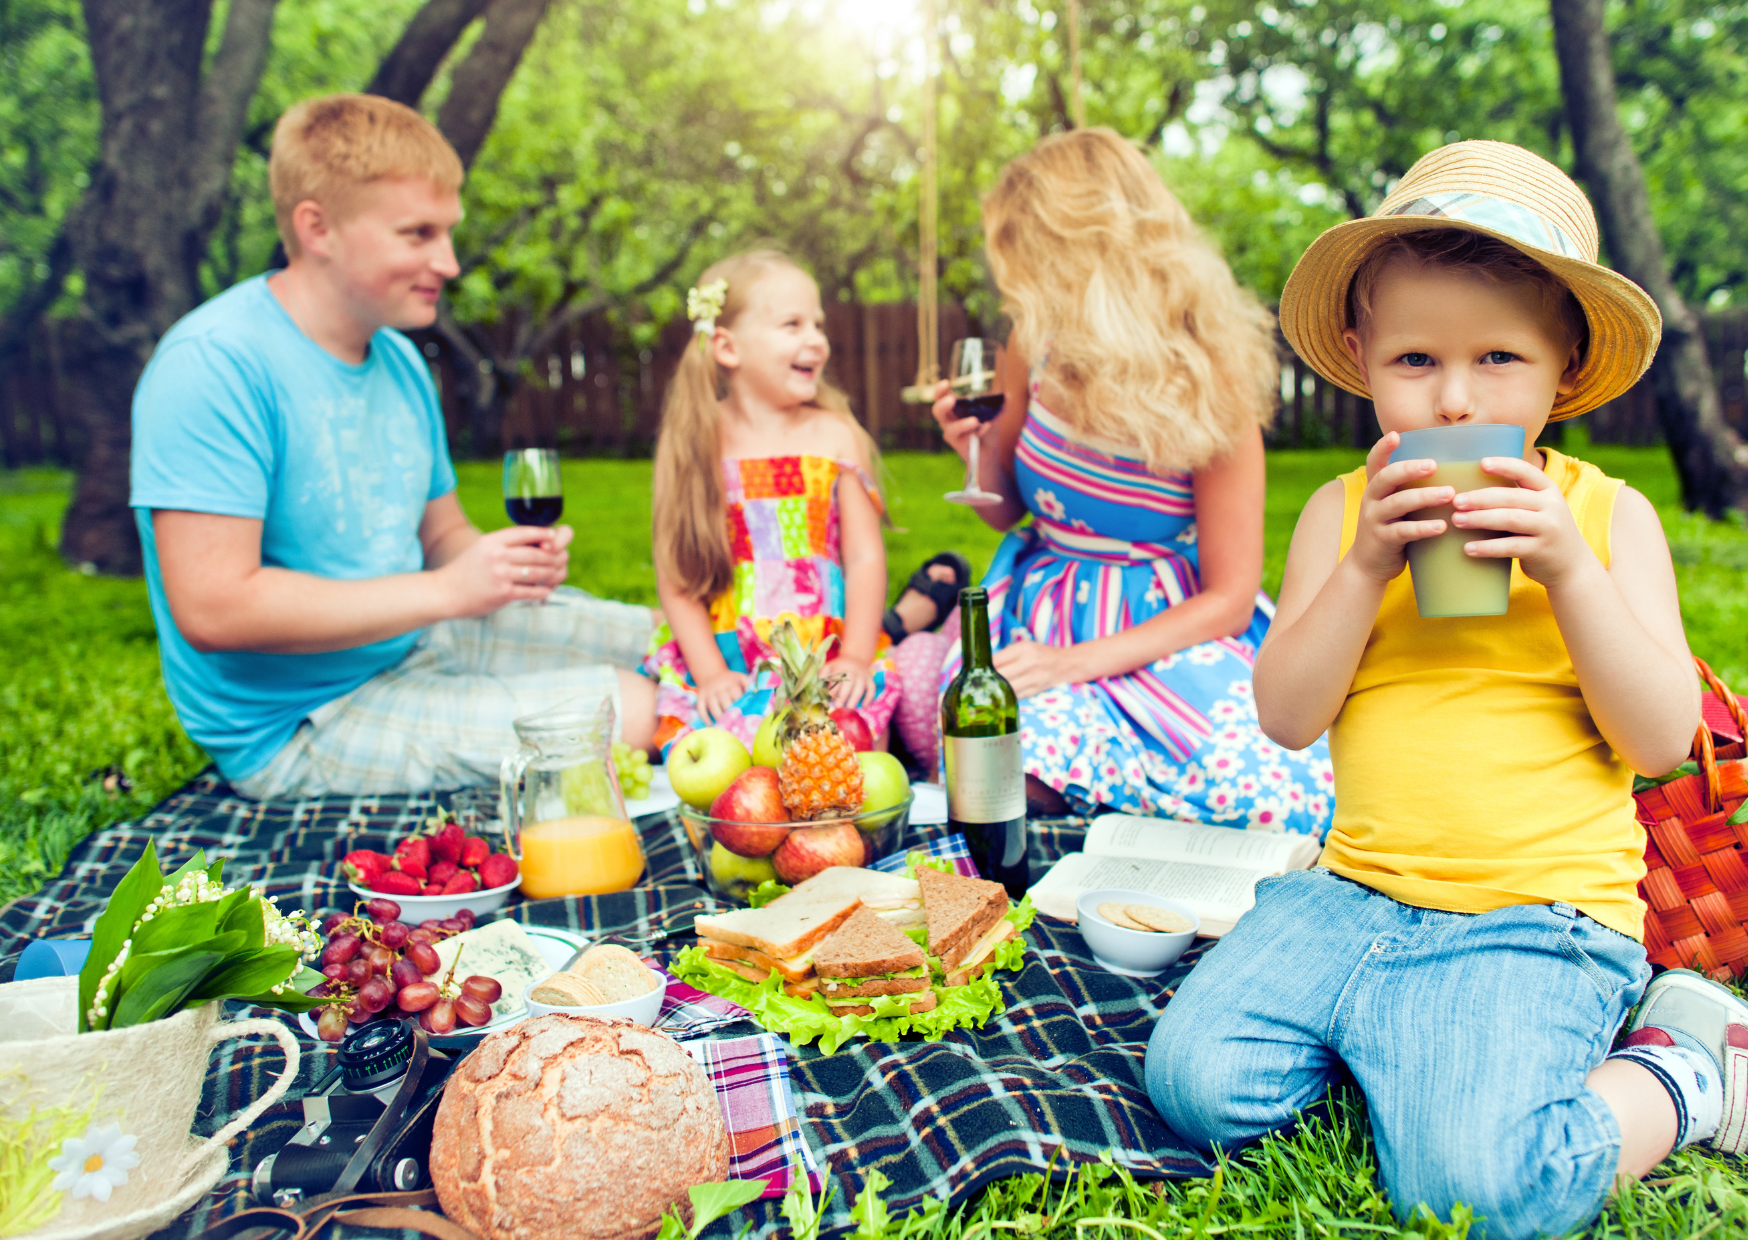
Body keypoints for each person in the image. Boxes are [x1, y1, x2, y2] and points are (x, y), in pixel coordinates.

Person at [1146, 141, 1747, 1238]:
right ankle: (1408, 1046)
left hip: (1533, 915)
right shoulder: (1340, 513)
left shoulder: (1610, 520)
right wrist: (1365, 566)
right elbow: (1283, 717)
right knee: (1194, 1082)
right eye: (1415, 359)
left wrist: (1566, 567)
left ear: (1561, 366)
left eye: (1499, 361)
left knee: (1476, 1192)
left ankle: (1677, 1073)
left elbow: (1659, 738)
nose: (1455, 395)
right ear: (1357, 349)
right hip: (1351, 893)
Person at [129, 94, 656, 799]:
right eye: (418, 234)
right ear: (319, 228)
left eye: (448, 232)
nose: (450, 261)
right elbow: (215, 608)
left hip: (418, 638)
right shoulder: (214, 365)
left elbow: (441, 536)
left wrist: (494, 566)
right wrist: (444, 591)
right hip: (302, 721)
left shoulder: (398, 362)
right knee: (636, 709)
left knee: (666, 645)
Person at [926, 128, 1331, 832]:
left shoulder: (1213, 375)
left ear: (1073, 247)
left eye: (1023, 253)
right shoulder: (1035, 344)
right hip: (1044, 608)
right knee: (1005, 778)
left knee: (1282, 799)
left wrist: (1072, 664)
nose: (1013, 277)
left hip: (1167, 629)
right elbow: (1006, 510)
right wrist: (976, 447)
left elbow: (1232, 600)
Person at [641, 250, 900, 752]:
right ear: (727, 347)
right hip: (733, 662)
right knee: (729, 765)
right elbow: (676, 575)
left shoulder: (836, 435)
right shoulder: (697, 443)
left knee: (854, 752)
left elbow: (865, 557)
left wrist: (855, 658)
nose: (817, 342)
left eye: (818, 325)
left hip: (824, 656)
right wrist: (711, 673)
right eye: (792, 324)